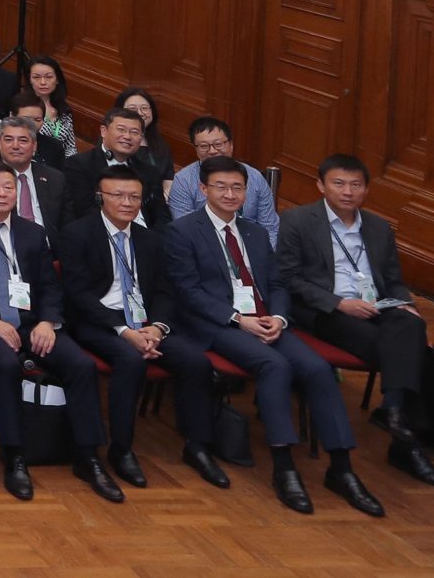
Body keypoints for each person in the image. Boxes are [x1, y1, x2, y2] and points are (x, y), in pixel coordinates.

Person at [163, 156, 383, 516]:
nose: (230, 194)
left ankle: (342, 469)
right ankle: (284, 468)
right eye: (221, 186)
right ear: (203, 189)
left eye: (237, 187)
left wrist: (279, 316)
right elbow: (188, 292)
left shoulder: (255, 231)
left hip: (267, 319)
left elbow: (278, 283)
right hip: (217, 324)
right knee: (274, 366)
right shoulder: (183, 231)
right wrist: (238, 319)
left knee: (317, 368)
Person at [0, 159, 119, 501]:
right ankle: (14, 454)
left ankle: (88, 455)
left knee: (81, 366)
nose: (2, 193)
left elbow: (50, 286)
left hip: (33, 322)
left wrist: (48, 322)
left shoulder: (32, 232)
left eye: (9, 187)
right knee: (5, 365)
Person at [276, 154, 434, 489]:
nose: (348, 192)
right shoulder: (297, 221)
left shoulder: (377, 227)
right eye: (339, 183)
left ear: (366, 189)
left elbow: (394, 280)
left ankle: (393, 410)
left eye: (356, 185)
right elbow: (288, 279)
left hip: (378, 306)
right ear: (321, 185)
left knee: (412, 325)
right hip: (326, 311)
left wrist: (407, 305)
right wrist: (339, 303)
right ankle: (406, 440)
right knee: (406, 346)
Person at [59, 162, 218, 491]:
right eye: (118, 195)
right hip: (98, 322)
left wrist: (158, 327)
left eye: (135, 196)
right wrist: (123, 330)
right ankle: (121, 449)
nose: (127, 203)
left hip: (145, 324)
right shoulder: (78, 233)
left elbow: (163, 290)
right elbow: (78, 295)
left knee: (196, 363)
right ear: (100, 196)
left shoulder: (150, 239)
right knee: (130, 361)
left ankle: (198, 446)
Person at [165, 117, 281, 240]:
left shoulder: (255, 177)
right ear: (196, 150)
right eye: (204, 146)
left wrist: (265, 255)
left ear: (231, 145)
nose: (213, 151)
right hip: (206, 246)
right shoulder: (183, 181)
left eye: (218, 144)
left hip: (252, 245)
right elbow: (185, 229)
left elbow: (271, 227)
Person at [63, 107, 169, 228]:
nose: (127, 136)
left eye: (134, 132)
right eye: (121, 130)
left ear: (141, 137)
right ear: (103, 131)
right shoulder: (79, 165)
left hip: (146, 239)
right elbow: (84, 211)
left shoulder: (149, 171)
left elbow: (162, 215)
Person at [0, 117, 65, 230]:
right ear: (0, 144)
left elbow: (67, 224)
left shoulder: (55, 178)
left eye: (23, 140)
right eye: (8, 140)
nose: (15, 146)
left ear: (34, 146)